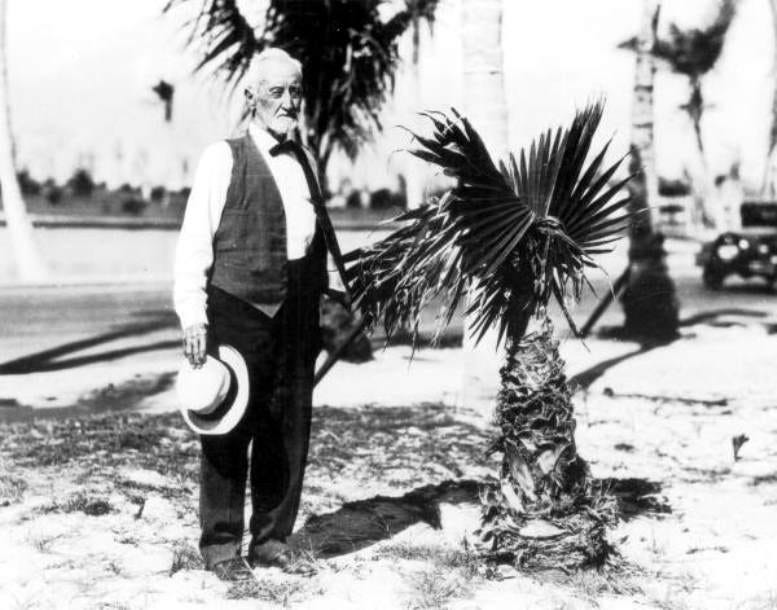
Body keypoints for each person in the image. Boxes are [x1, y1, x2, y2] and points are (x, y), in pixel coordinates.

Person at [173, 48, 342, 580]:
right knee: (227, 430)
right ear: (252, 98)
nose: (289, 102)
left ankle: (272, 540)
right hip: (238, 308)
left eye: (295, 91)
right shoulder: (222, 158)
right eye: (277, 92)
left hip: (295, 313)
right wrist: (193, 317)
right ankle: (222, 549)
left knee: (288, 428)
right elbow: (194, 244)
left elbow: (315, 238)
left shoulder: (305, 160)